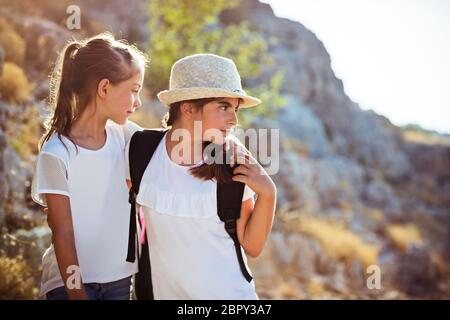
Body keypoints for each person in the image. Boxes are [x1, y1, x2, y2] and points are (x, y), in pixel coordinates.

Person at [128, 54, 277, 299]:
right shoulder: (141, 150)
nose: (234, 119)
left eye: (235, 108)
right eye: (223, 106)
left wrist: (268, 193)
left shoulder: (232, 161)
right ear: (187, 107)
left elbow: (253, 245)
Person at [31, 32, 146, 300]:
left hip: (120, 278)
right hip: (69, 283)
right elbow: (63, 230)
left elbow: (171, 148)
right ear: (104, 88)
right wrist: (76, 292)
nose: (138, 102)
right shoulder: (57, 153)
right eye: (134, 90)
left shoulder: (127, 136)